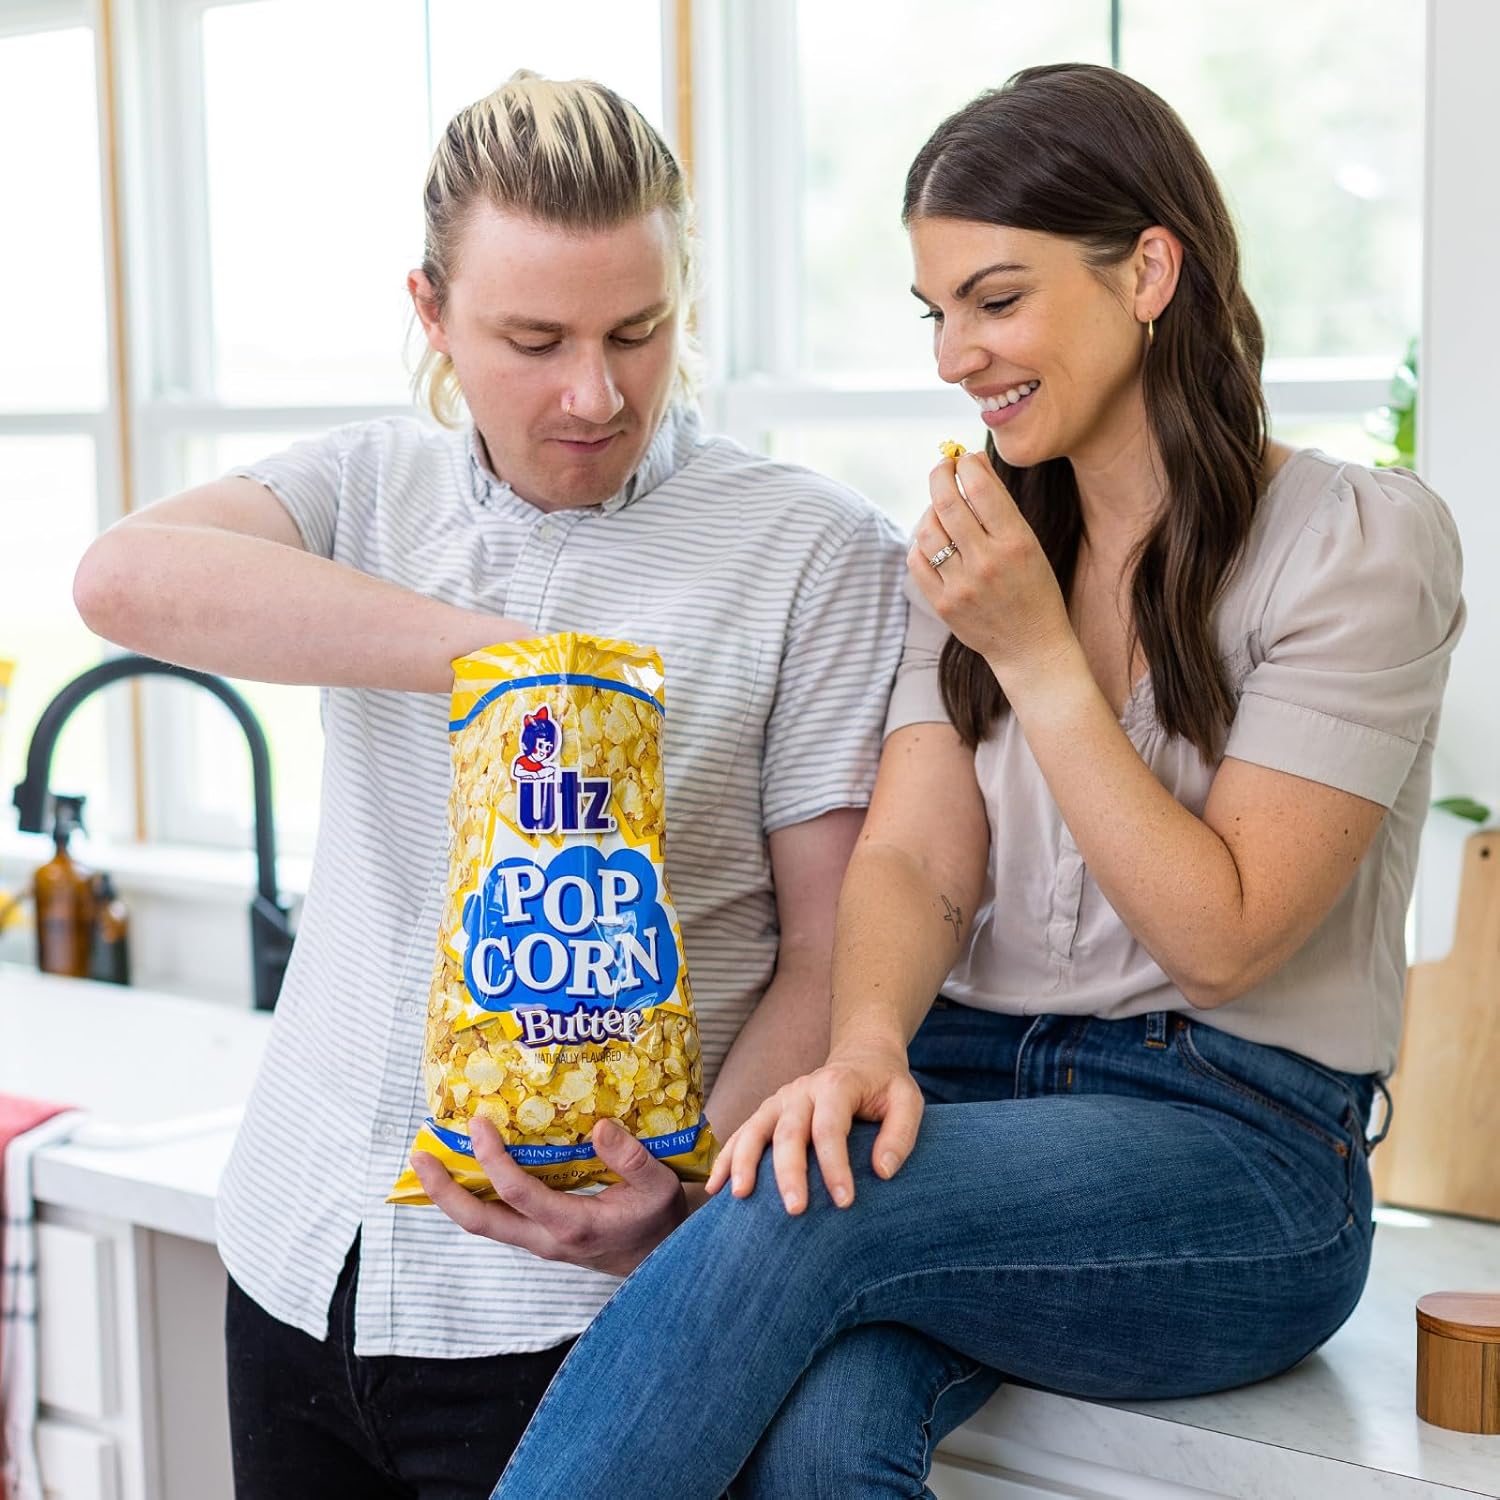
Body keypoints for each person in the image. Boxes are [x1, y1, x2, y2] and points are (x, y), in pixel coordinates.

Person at [488, 62, 1466, 1500]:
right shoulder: (974, 545)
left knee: (789, 1213)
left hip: (1238, 1159)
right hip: (957, 1105)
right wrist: (868, 1040)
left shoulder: (1354, 545)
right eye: (936, 311)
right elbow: (913, 863)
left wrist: (1041, 657)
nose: (955, 355)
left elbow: (1225, 932)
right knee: (824, 1432)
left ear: (1147, 270)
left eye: (995, 300)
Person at [71, 72, 907, 1497]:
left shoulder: (811, 553)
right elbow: (122, 578)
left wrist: (689, 1190)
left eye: (638, 330)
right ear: (431, 313)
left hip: (576, 1317)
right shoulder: (365, 495)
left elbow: (829, 947)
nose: (597, 392)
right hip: (296, 1261)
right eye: (533, 340)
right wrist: (510, 664)